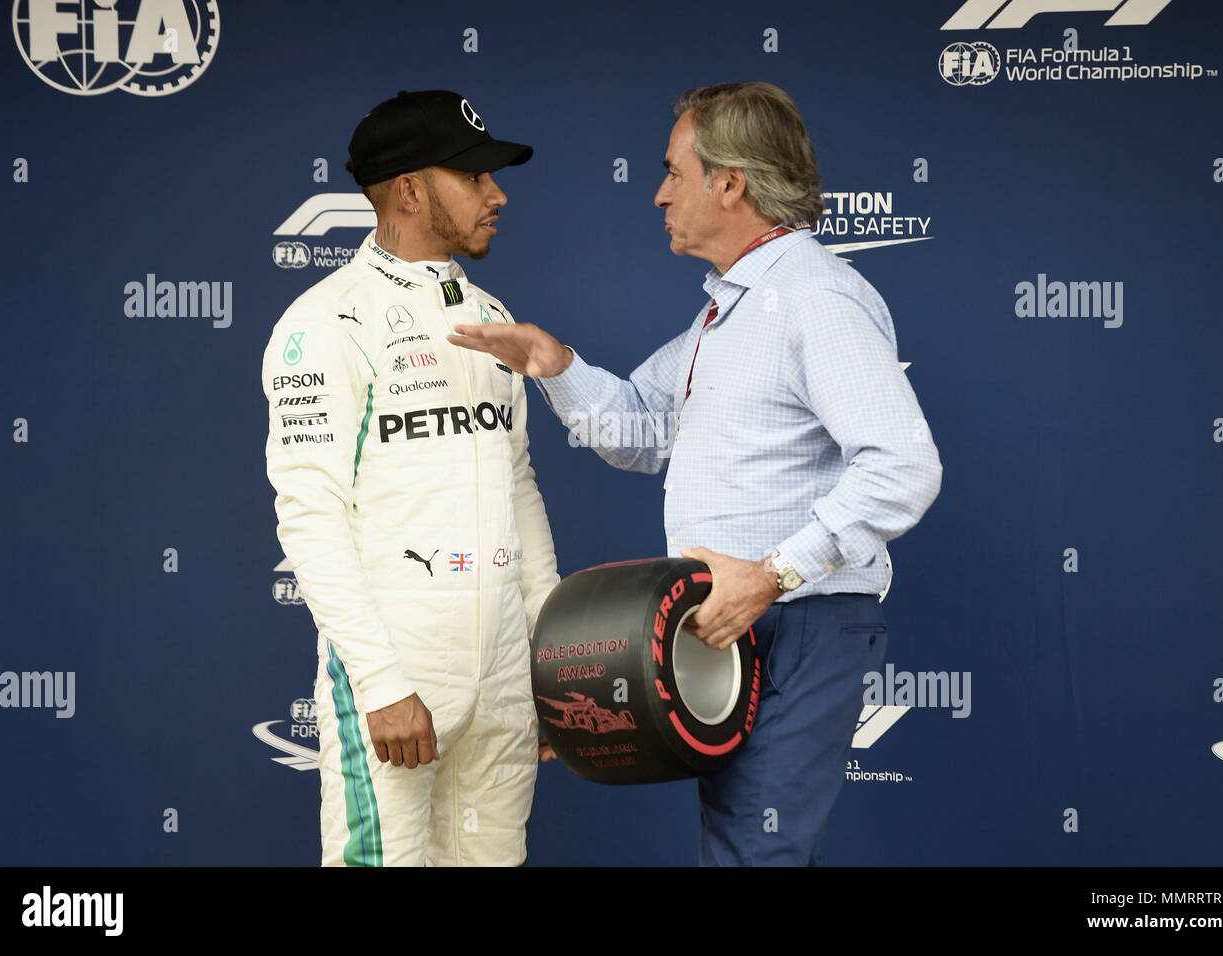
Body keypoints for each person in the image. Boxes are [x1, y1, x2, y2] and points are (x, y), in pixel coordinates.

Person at [448, 82, 942, 865]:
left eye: (674, 172)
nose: (658, 194)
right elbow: (639, 430)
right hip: (737, 623)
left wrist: (774, 575)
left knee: (754, 854)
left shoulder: (814, 298)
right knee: (746, 850)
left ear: (731, 183)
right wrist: (552, 363)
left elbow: (904, 467)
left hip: (800, 619)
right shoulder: (727, 313)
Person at [262, 89, 559, 867]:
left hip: (502, 673)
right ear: (411, 191)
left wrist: (551, 656)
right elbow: (310, 514)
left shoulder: (492, 313)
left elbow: (517, 482)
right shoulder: (323, 322)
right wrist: (381, 681)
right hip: (399, 668)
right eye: (473, 175)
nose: (496, 194)